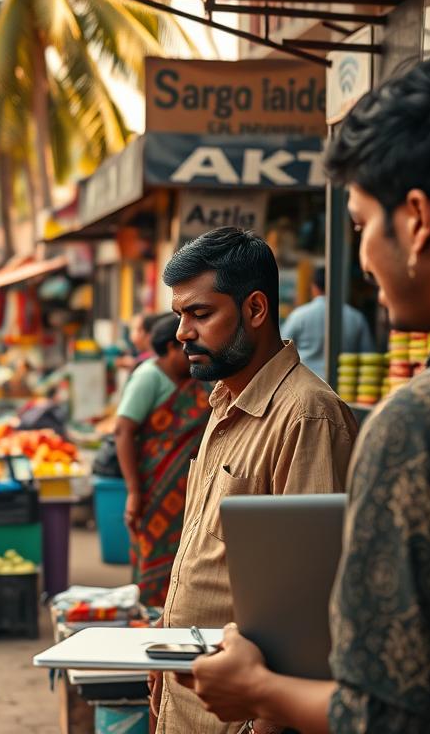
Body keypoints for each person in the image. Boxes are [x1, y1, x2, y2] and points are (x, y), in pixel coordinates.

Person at [185, 56, 430, 734]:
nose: (359, 258)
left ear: (416, 221)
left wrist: (259, 692)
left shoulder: (423, 424)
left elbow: (384, 715)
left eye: (358, 225)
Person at [152, 227, 359, 734]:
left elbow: (311, 609)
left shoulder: (308, 416)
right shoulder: (224, 401)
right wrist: (165, 641)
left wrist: (264, 722)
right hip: (189, 700)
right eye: (179, 315)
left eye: (200, 314)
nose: (182, 333)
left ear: (256, 309)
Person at [115, 314, 211, 607]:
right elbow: (122, 431)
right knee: (155, 557)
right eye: (187, 346)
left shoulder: (199, 378)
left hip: (191, 491)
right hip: (156, 488)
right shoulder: (149, 377)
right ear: (171, 347)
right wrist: (133, 491)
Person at [281, 266, 375, 379]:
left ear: (314, 287)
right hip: (343, 383)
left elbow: (281, 350)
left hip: (306, 383)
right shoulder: (356, 318)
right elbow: (369, 358)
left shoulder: (298, 316)